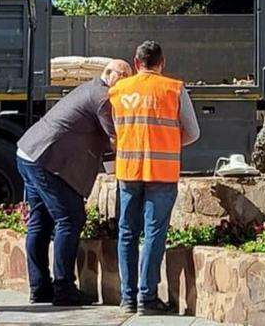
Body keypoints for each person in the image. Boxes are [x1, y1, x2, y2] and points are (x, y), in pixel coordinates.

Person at [16, 59, 133, 305]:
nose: (126, 82)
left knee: (40, 222)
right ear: (109, 74)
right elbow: (116, 139)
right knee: (70, 218)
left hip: (29, 153)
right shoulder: (103, 98)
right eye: (123, 76)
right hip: (45, 160)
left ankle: (40, 287)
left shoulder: (90, 88)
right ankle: (64, 288)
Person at [110, 40, 200, 315]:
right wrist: (169, 142)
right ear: (163, 63)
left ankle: (128, 298)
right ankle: (147, 298)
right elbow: (193, 132)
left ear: (136, 64)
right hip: (161, 172)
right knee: (153, 234)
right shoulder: (173, 89)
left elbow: (117, 130)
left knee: (127, 232)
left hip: (128, 171)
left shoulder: (118, 91)